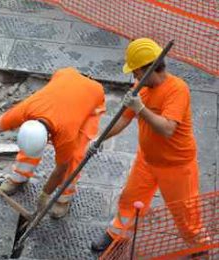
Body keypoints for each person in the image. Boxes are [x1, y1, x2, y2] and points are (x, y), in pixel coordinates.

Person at [0, 67, 105, 219]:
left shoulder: (66, 135)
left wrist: (45, 194)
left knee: (74, 158)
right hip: (65, 75)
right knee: (30, 147)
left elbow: (60, 169)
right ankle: (18, 178)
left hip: (92, 96)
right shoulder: (24, 110)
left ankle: (64, 199)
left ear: (49, 137)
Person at [91, 38, 203, 252]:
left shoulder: (177, 90)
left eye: (136, 71)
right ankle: (118, 234)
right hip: (147, 160)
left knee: (186, 214)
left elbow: (168, 129)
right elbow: (123, 120)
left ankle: (198, 248)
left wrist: (141, 109)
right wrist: (98, 139)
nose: (134, 76)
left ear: (149, 68)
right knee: (129, 199)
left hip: (176, 166)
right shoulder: (140, 88)